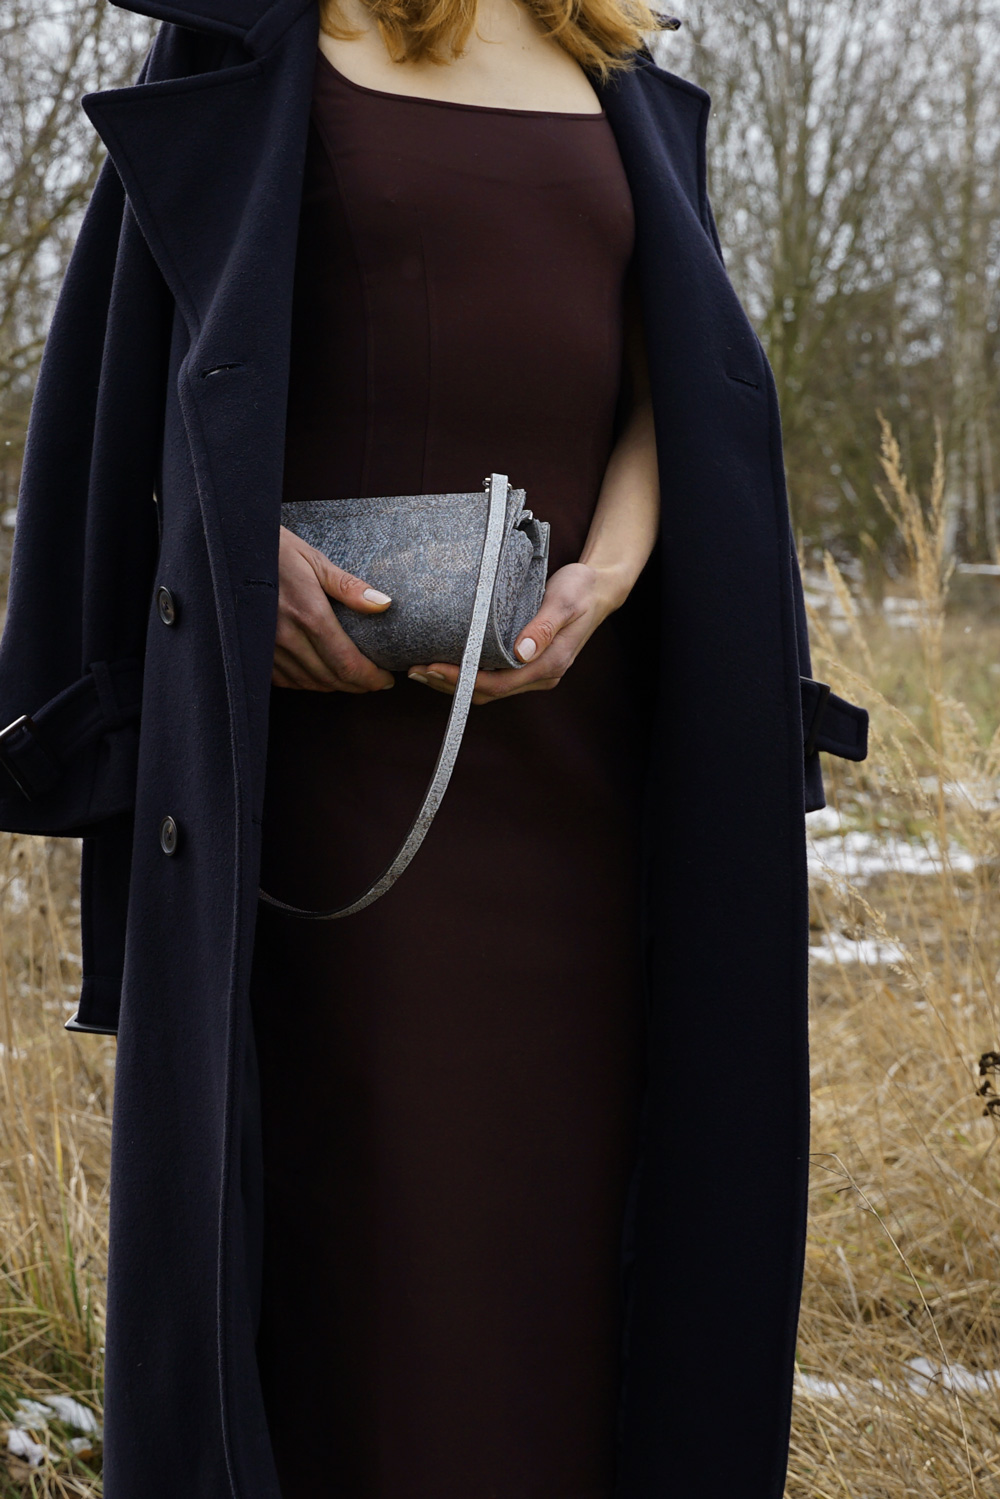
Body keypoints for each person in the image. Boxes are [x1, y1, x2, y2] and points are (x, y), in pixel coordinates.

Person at [0, 0, 868, 1492]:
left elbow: (682, 377)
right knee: (370, 1291)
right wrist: (231, 545)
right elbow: (144, 379)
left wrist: (610, 568)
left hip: (589, 782)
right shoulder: (243, 45)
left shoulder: (618, 62)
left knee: (598, 1275)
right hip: (326, 785)